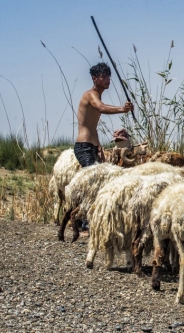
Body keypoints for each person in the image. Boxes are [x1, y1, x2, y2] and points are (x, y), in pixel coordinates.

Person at [74, 62, 134, 234]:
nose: (108, 79)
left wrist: (99, 146)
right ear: (94, 78)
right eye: (104, 76)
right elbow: (101, 108)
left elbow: (92, 126)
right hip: (83, 146)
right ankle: (83, 222)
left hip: (91, 145)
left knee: (96, 182)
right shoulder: (91, 95)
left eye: (109, 76)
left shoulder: (97, 96)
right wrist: (123, 109)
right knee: (92, 183)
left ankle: (84, 220)